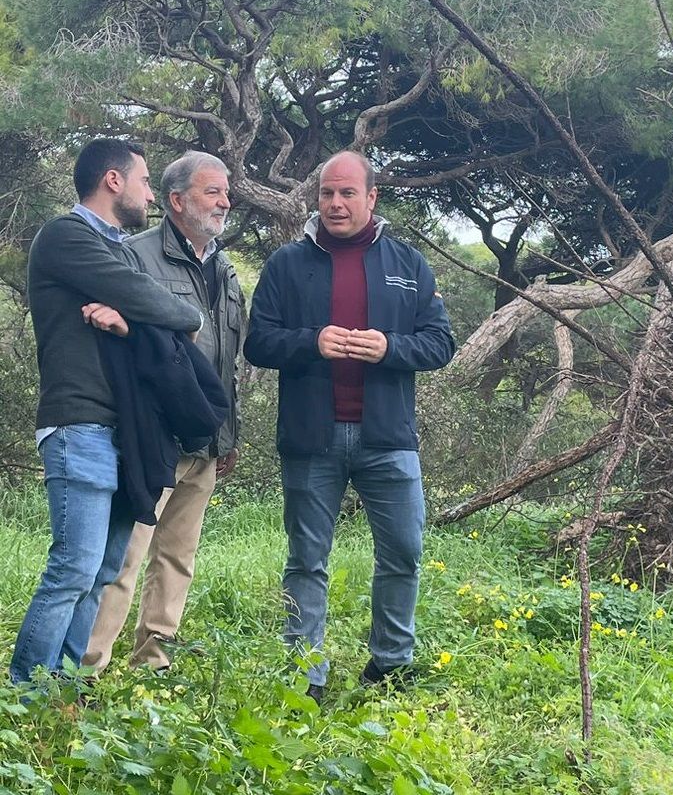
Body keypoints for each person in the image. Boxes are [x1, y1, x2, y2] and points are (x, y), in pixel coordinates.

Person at [244, 151, 453, 702]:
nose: (335, 204)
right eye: (327, 194)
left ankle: (390, 664)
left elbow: (440, 343)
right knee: (307, 559)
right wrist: (310, 341)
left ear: (371, 198)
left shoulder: (407, 264)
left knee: (403, 553)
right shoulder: (287, 264)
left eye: (347, 194)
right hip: (311, 439)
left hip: (389, 439)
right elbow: (259, 342)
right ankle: (305, 674)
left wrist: (390, 348)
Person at [9, 138, 204, 685]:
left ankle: (65, 696)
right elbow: (148, 299)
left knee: (101, 572)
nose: (150, 192)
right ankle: (24, 697)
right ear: (113, 181)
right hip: (79, 425)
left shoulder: (116, 249)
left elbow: (137, 306)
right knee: (73, 567)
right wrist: (182, 314)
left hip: (126, 433)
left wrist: (133, 320)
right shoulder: (66, 237)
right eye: (144, 181)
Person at [83, 152, 245, 672]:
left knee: (178, 558)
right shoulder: (133, 256)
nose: (225, 201)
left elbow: (227, 363)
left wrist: (229, 434)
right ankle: (88, 669)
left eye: (225, 192)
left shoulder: (225, 268)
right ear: (176, 200)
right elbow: (119, 343)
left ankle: (152, 665)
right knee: (124, 559)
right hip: (152, 437)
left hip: (206, 440)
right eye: (211, 192)